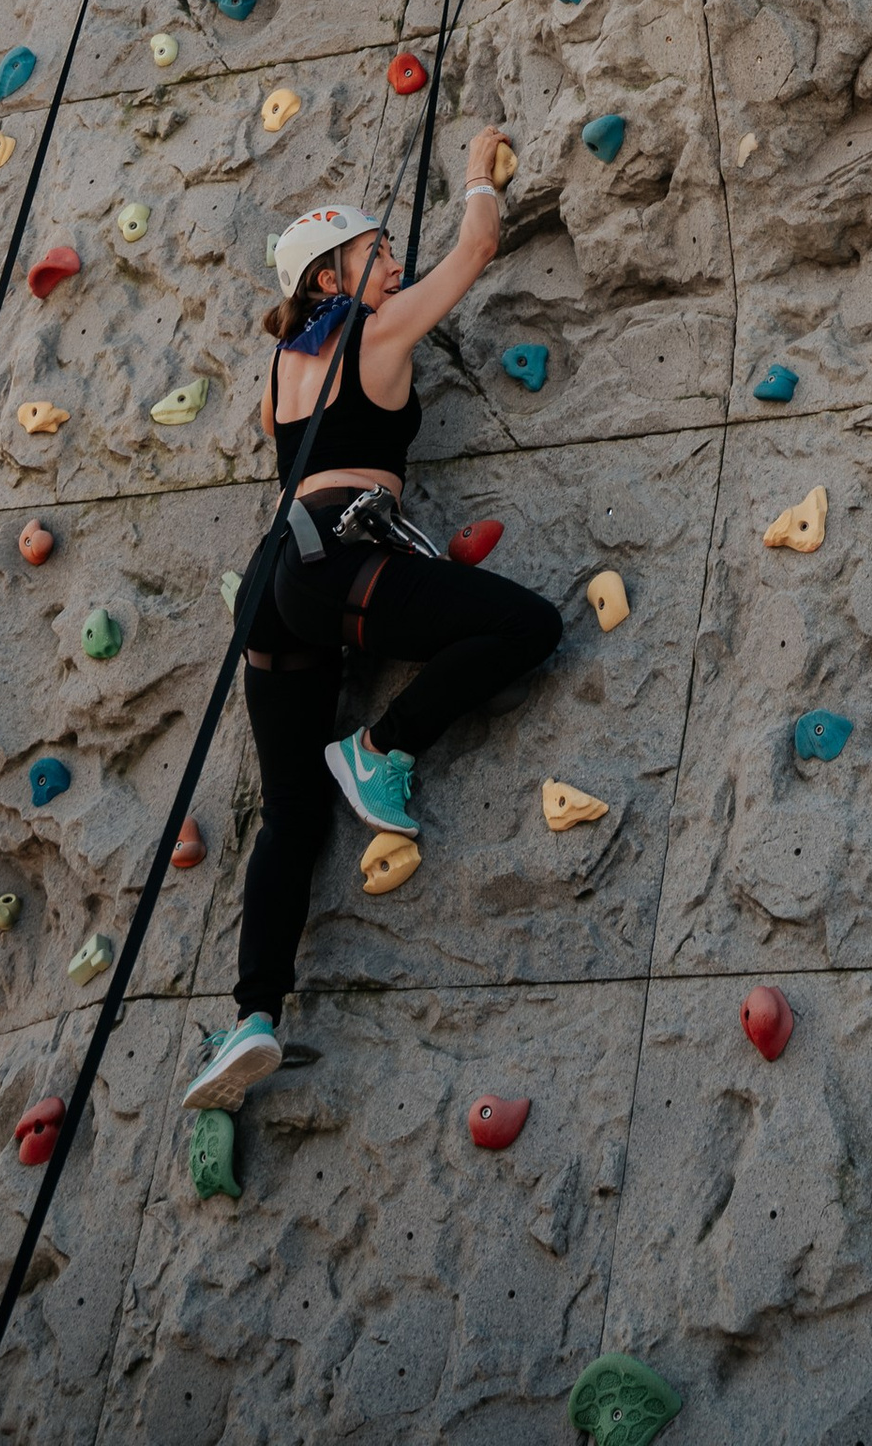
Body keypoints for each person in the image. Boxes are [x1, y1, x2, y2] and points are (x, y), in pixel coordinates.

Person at [182, 142, 560, 1112]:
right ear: (330, 276)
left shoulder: (283, 367)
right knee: (527, 625)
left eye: (391, 249)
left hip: (275, 578)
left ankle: (254, 1016)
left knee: (289, 817)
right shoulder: (377, 333)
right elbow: (475, 248)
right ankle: (381, 747)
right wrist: (479, 167)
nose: (393, 263)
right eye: (376, 250)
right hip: (340, 561)